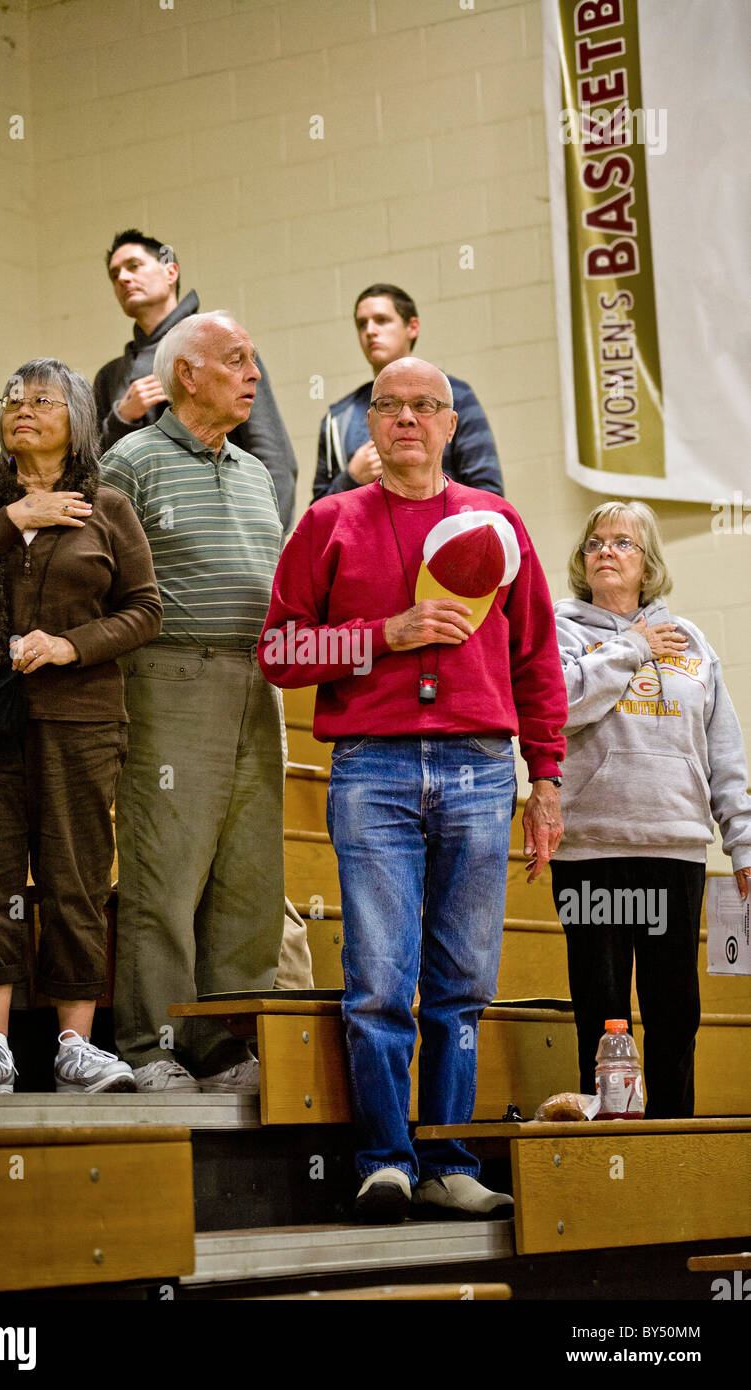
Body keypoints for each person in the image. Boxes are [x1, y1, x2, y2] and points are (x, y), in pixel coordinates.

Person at [259, 357, 566, 1221]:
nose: (405, 419)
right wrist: (382, 634)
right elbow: (280, 654)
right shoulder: (329, 522)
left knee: (464, 981)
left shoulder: (496, 521)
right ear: (368, 424)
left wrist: (545, 779)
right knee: (381, 979)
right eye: (387, 405)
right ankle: (386, 1158)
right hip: (372, 766)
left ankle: (448, 1157)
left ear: (450, 423)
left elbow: (537, 658)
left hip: (479, 768)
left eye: (424, 406)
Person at [0, 360, 163, 1094]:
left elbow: (147, 609)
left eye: (42, 399)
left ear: (79, 419)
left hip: (80, 723)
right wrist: (14, 520)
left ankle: (75, 1047)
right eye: (13, 399)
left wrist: (68, 645)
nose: (22, 409)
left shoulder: (108, 506)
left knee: (75, 884)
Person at [100, 312, 286, 1094]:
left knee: (251, 875)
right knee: (165, 871)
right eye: (237, 360)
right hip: (169, 676)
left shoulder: (252, 471)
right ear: (187, 375)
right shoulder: (130, 462)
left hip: (258, 683)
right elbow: (91, 575)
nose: (253, 374)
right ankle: (150, 1044)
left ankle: (224, 1042)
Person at [551, 500, 751, 1118]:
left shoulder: (692, 641)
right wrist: (631, 649)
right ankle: (607, 1143)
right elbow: (557, 705)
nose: (605, 552)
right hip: (591, 850)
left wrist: (742, 845)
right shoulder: (559, 628)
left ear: (649, 563)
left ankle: (670, 1142)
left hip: (674, 849)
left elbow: (724, 752)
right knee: (600, 1008)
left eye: (623, 543)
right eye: (595, 543)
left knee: (674, 1010)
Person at [94, 229, 298, 531]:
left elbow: (274, 460)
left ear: (170, 271)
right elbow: (97, 475)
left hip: (224, 539)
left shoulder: (229, 348)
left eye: (134, 266)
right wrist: (121, 419)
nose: (122, 278)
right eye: (114, 274)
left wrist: (263, 546)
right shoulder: (111, 376)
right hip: (141, 554)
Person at [311, 283, 503, 504]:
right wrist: (352, 478)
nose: (370, 331)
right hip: (370, 536)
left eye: (382, 320)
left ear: (412, 327)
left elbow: (488, 495)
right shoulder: (338, 419)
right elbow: (318, 517)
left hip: (442, 534)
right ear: (369, 419)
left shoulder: (457, 397)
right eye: (362, 324)